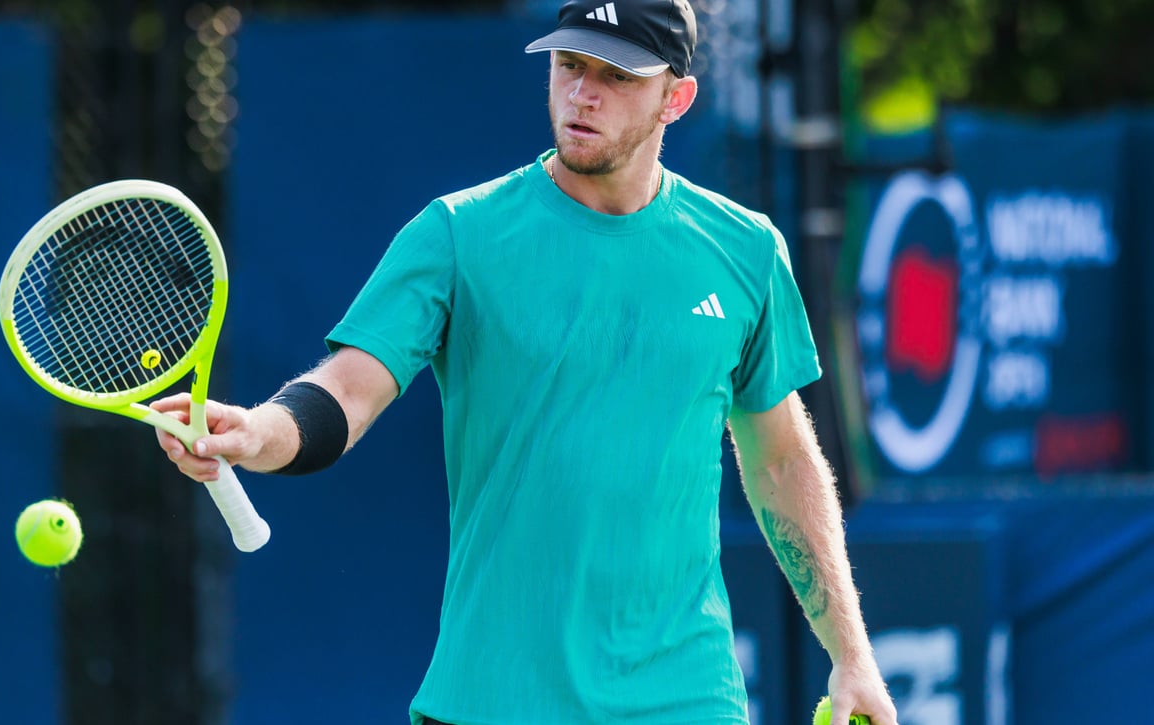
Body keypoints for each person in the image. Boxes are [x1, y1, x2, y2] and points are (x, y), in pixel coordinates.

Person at [154, 0, 898, 722]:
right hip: (492, 699)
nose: (582, 93)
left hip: (685, 696)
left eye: (616, 76)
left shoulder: (744, 251)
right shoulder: (457, 234)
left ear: (676, 98)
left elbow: (779, 459)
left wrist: (853, 654)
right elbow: (345, 395)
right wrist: (257, 432)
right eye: (569, 65)